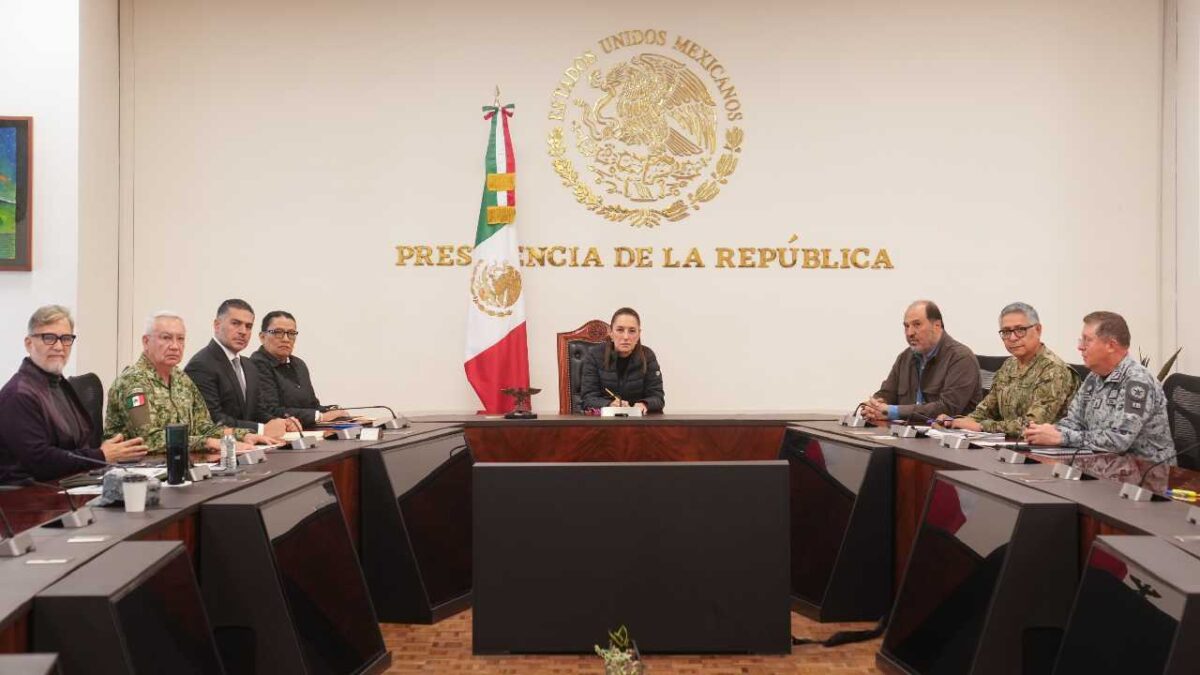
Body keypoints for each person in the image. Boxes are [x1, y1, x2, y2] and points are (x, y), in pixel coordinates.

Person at [0, 306, 148, 483]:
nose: (59, 347)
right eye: (49, 338)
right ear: (29, 343)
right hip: (33, 494)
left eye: (66, 339)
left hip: (73, 482)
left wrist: (107, 454)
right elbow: (40, 461)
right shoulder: (18, 395)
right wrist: (100, 455)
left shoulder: (58, 384)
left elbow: (78, 445)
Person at [105, 311, 280, 455]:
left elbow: (204, 427)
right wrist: (209, 442)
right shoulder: (133, 382)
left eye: (180, 339)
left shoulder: (181, 379)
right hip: (136, 471)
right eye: (166, 338)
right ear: (146, 341)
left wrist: (242, 435)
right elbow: (148, 439)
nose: (175, 346)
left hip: (182, 463)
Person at [1025, 311, 1175, 462]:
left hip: (1146, 470)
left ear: (1110, 345)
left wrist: (1061, 437)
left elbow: (1118, 441)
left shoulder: (1137, 381)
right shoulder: (1094, 377)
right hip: (1103, 464)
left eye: (1087, 340)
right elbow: (1075, 422)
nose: (1080, 347)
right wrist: (1045, 431)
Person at [939, 302, 1079, 435]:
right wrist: (956, 422)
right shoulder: (1008, 365)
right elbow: (986, 410)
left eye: (1020, 330)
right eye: (1006, 331)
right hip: (1006, 444)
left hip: (1042, 448)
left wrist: (982, 426)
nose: (1012, 337)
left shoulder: (1054, 370)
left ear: (1038, 330)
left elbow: (1033, 425)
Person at [185, 299, 297, 434]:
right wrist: (261, 429)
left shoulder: (249, 366)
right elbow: (213, 419)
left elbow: (258, 411)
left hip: (253, 444)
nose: (243, 331)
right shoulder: (201, 365)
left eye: (248, 326)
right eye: (235, 323)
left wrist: (282, 423)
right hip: (222, 445)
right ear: (217, 325)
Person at [862, 300, 982, 423]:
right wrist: (874, 406)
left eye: (917, 325)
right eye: (906, 326)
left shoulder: (961, 358)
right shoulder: (905, 357)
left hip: (946, 433)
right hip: (908, 431)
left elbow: (947, 408)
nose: (910, 333)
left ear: (937, 326)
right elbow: (887, 393)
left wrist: (892, 411)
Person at [251, 310, 349, 428]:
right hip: (279, 433)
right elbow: (270, 410)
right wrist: (320, 416)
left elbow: (312, 406)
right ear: (262, 337)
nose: (286, 339)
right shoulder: (256, 364)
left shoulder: (299, 364)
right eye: (278, 332)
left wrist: (332, 411)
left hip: (308, 429)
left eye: (291, 333)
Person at [578, 307, 665, 414]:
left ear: (639, 334)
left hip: (637, 419)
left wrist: (644, 404)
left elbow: (658, 398)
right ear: (611, 333)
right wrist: (610, 404)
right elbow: (587, 399)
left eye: (632, 331)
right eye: (620, 330)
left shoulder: (648, 356)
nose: (626, 337)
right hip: (604, 421)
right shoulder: (594, 355)